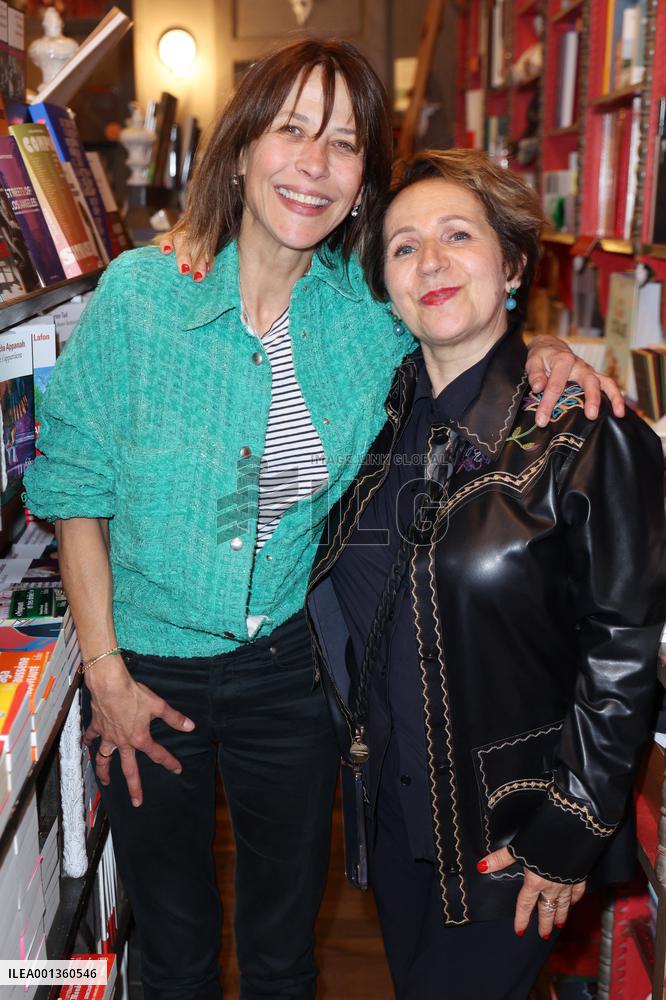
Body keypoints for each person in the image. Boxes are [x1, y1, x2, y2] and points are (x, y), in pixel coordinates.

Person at [25, 40, 623, 1000]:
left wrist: (547, 347)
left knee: (282, 953)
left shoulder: (368, 315)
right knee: (171, 951)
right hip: (144, 671)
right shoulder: (140, 296)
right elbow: (74, 488)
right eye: (291, 129)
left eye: (343, 142)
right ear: (241, 148)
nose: (313, 162)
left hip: (293, 678)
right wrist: (105, 675)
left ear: (360, 186)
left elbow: (464, 315)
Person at [305, 147, 666, 1000]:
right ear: (386, 286)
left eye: (457, 236)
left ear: (511, 265)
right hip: (394, 816)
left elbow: (623, 652)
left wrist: (569, 830)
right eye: (403, 247)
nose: (430, 262)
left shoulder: (588, 431)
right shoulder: (368, 415)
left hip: (512, 829)